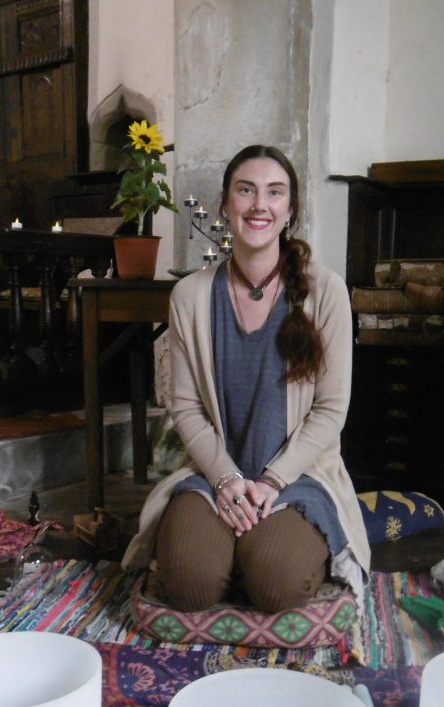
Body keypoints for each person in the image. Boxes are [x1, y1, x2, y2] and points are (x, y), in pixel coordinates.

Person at [122, 145, 370, 615]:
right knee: (190, 587)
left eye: (274, 193)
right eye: (246, 190)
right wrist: (226, 478)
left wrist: (272, 481)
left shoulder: (326, 291)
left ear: (290, 210)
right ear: (225, 203)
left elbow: (331, 410)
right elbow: (186, 407)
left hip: (297, 477)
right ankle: (230, 548)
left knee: (276, 586)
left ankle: (255, 551)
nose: (260, 204)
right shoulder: (189, 296)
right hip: (213, 473)